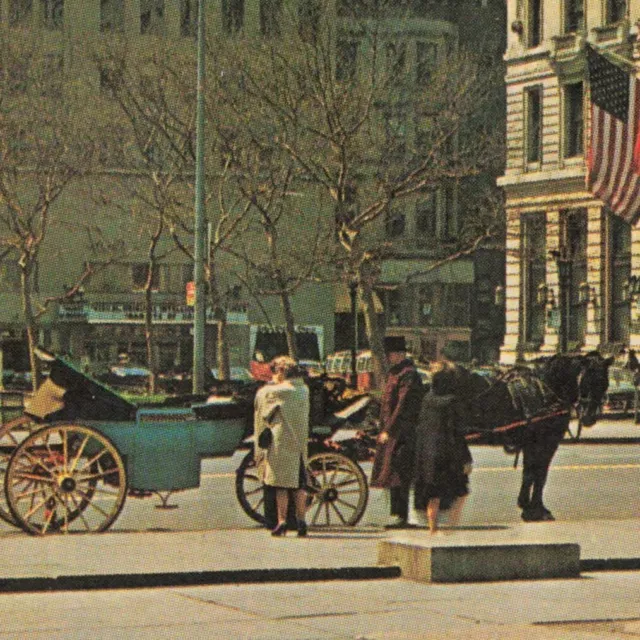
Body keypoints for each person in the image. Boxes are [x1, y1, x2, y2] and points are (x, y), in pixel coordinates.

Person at [370, 336, 425, 528]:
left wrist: (389, 429)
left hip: (404, 432)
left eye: (390, 354)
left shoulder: (408, 375)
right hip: (392, 431)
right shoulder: (395, 373)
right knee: (392, 472)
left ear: (399, 354)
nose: (388, 358)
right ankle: (397, 513)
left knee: (400, 473)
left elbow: (402, 406)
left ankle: (402, 516)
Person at [412, 364, 473, 534]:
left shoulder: (426, 400)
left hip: (427, 458)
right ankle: (450, 530)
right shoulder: (452, 402)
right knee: (461, 493)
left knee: (433, 496)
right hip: (448, 458)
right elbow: (457, 434)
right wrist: (466, 459)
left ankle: (433, 530)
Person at [254, 356, 310, 537]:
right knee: (300, 485)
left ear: (280, 372)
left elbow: (263, 406)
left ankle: (282, 521)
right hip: (300, 443)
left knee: (281, 485)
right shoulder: (303, 390)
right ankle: (301, 521)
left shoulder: (276, 392)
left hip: (282, 441)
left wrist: (271, 384)